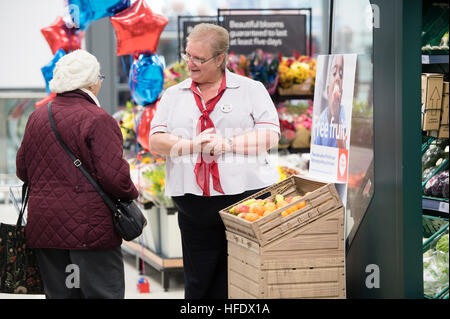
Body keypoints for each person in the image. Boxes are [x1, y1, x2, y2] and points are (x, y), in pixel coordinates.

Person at [149, 23, 280, 299]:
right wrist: (190, 146)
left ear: (221, 59)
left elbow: (270, 135)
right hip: (193, 201)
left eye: (199, 58)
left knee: (239, 278)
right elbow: (156, 141)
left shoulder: (250, 90)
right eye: (188, 56)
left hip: (245, 200)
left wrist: (229, 144)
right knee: (198, 280)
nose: (191, 64)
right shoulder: (174, 95)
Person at [16, 49, 138, 299]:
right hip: (90, 231)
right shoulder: (98, 119)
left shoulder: (37, 117)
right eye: (100, 77)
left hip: (45, 229)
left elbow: (22, 170)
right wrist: (131, 193)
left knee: (62, 295)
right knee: (103, 293)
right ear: (91, 81)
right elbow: (115, 178)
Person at [313, 54, 347, 148]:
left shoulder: (341, 112)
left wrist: (336, 118)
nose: (337, 78)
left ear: (341, 93)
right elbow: (317, 147)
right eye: (334, 73)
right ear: (328, 91)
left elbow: (343, 149)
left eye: (341, 74)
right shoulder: (322, 118)